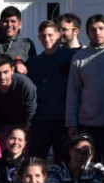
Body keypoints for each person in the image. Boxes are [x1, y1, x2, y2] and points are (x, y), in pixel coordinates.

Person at [65, 14, 104, 162]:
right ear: (87, 33)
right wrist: (71, 123)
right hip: (87, 124)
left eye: (101, 28)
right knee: (87, 166)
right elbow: (73, 92)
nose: (97, 32)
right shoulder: (79, 58)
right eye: (93, 29)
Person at [25, 19, 76, 159]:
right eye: (43, 36)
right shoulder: (33, 63)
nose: (47, 39)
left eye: (50, 35)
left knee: (64, 161)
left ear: (58, 35)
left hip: (63, 120)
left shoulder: (70, 58)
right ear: (38, 38)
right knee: (36, 160)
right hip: (41, 120)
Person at [0, 53, 37, 141]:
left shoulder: (24, 84)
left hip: (22, 124)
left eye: (5, 72)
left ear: (12, 70)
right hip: (0, 125)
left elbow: (30, 108)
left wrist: (25, 130)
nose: (2, 77)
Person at [0, 6, 34, 74]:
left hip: (17, 84)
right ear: (0, 22)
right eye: (6, 21)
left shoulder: (27, 44)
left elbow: (33, 69)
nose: (9, 25)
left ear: (20, 24)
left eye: (13, 21)